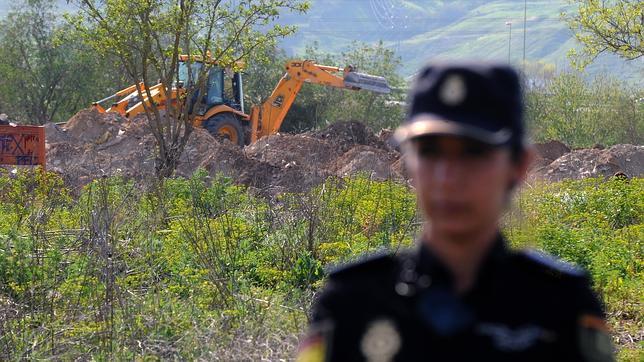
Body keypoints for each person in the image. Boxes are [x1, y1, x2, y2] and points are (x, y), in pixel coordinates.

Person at [296, 63, 614, 362]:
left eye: (473, 153)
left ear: (518, 167)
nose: (448, 178)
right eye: (430, 152)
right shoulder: (351, 303)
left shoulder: (561, 307)